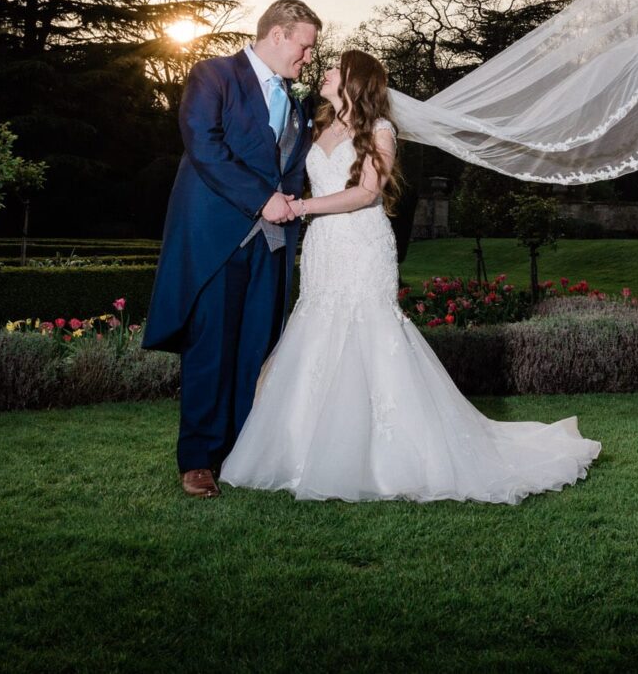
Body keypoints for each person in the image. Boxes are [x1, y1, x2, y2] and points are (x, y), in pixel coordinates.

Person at [219, 49, 603, 503]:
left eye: (333, 69)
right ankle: (301, 450)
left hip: (362, 244)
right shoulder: (318, 126)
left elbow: (365, 193)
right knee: (317, 329)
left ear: (353, 81)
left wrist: (300, 207)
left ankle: (387, 457)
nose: (322, 71)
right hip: (324, 247)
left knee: (369, 333)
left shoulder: (380, 131)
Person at [142, 0, 321, 499]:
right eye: (304, 47)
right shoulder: (214, 75)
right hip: (219, 240)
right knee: (211, 350)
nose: (307, 58)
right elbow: (204, 144)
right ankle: (198, 460)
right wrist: (262, 199)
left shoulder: (299, 101)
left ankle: (241, 453)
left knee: (255, 350)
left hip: (273, 245)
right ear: (279, 35)